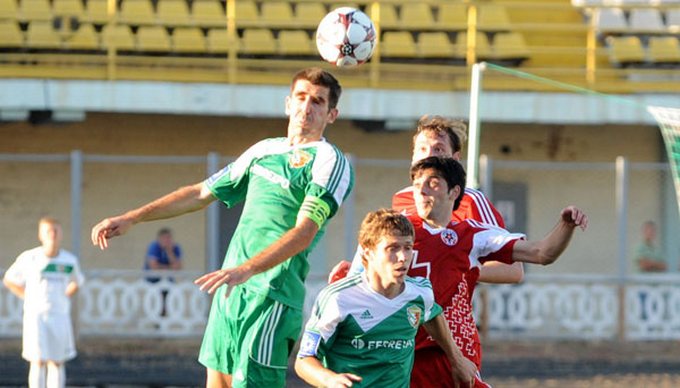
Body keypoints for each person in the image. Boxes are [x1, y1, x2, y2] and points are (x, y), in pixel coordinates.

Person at [90, 67, 354, 388]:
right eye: (301, 97)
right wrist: (133, 217)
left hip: (271, 296)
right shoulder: (263, 150)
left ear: (332, 114)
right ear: (288, 103)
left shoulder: (328, 160)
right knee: (216, 382)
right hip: (230, 288)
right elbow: (201, 193)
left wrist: (248, 269)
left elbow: (305, 231)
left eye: (318, 101)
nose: (307, 107)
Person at [350, 157, 588, 387]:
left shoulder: (472, 235)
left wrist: (565, 226)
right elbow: (362, 273)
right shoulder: (396, 230)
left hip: (448, 353)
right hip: (397, 349)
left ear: (454, 192)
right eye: (416, 184)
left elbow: (541, 253)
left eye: (432, 183)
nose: (421, 191)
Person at [329, 115, 523, 284]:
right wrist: (359, 271)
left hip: (448, 306)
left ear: (454, 159)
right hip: (405, 306)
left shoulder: (471, 199)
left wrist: (458, 268)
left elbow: (514, 270)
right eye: (422, 149)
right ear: (413, 157)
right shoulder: (402, 198)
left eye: (438, 149)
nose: (429, 155)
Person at [295, 209, 478, 388]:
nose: (402, 257)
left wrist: (457, 359)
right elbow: (304, 361)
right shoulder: (338, 299)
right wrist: (329, 380)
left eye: (408, 248)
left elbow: (433, 315)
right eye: (393, 248)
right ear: (367, 253)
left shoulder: (420, 293)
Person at [3, 217, 85, 388]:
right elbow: (9, 280)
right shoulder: (30, 258)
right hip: (36, 316)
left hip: (60, 315)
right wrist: (27, 296)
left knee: (57, 361)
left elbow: (77, 281)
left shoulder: (69, 260)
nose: (53, 234)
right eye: (49, 231)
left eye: (56, 230)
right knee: (38, 360)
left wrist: (65, 295)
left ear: (61, 233)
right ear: (41, 235)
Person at [144, 227, 182, 317]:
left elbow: (178, 266)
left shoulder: (175, 248)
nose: (167, 240)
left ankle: (163, 320)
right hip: (152, 281)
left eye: (169, 238)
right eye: (165, 238)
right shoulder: (154, 247)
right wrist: (169, 268)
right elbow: (153, 266)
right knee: (155, 304)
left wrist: (169, 252)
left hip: (168, 282)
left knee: (167, 303)